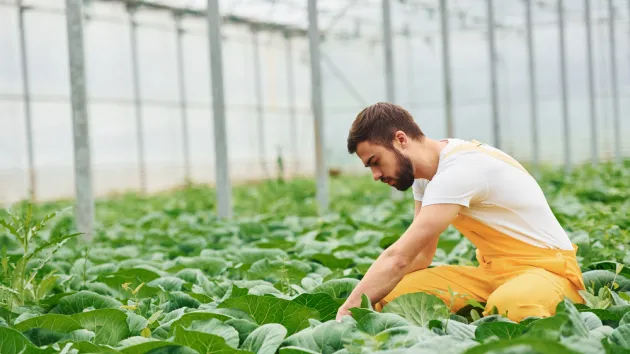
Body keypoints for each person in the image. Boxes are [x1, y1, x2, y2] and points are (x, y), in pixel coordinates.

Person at [335, 102, 585, 323]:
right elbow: (420, 255)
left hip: (546, 271)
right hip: (493, 274)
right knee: (392, 295)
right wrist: (378, 289)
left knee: (511, 306)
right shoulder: (425, 175)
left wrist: (349, 309)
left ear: (401, 139)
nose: (376, 175)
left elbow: (400, 258)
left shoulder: (460, 171)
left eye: (375, 161)